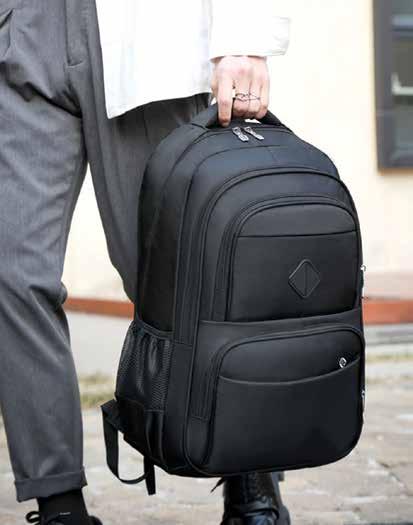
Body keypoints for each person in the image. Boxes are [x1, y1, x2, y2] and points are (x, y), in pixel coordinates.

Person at [0, 1, 290, 523]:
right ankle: (59, 503)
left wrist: (245, 37)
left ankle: (250, 472)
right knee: (11, 274)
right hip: (21, 28)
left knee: (181, 275)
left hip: (146, 28)